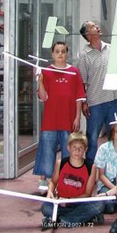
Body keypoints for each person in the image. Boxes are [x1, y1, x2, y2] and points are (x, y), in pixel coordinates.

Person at [33, 42, 85, 189]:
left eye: (63, 51)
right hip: (50, 121)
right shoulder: (47, 72)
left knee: (68, 152)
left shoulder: (74, 72)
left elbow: (79, 97)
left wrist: (77, 117)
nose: (60, 54)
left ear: (67, 53)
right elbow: (43, 97)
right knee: (47, 150)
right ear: (52, 54)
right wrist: (40, 82)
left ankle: (65, 180)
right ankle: (46, 180)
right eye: (57, 51)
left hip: (68, 120)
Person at [78, 21, 117, 162]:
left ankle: (115, 168)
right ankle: (90, 168)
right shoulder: (84, 54)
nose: (97, 27)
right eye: (93, 27)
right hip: (95, 102)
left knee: (116, 136)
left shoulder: (111, 49)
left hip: (114, 100)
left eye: (96, 25)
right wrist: (84, 102)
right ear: (87, 34)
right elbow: (82, 81)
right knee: (92, 138)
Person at [41, 131, 104, 229]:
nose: (77, 151)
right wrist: (50, 192)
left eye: (80, 148)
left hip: (80, 203)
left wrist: (69, 200)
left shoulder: (91, 167)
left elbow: (87, 194)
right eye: (74, 147)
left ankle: (59, 220)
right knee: (45, 207)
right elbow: (53, 182)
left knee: (99, 205)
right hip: (61, 204)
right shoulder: (60, 163)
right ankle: (73, 219)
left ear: (85, 149)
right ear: (68, 148)